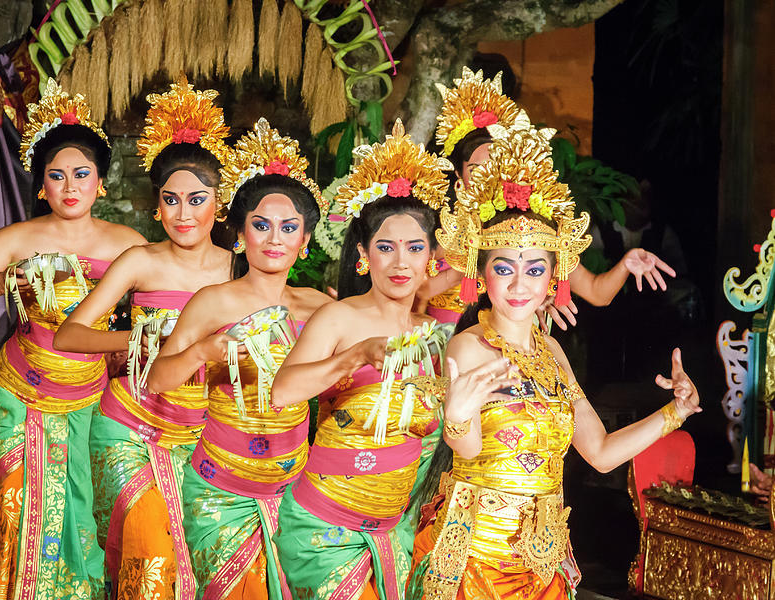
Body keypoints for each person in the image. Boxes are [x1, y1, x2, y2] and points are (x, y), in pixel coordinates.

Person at [406, 121, 701, 600]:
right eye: (504, 269)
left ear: (552, 280)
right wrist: (456, 418)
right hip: (477, 557)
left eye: (534, 269)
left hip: (546, 561)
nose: (520, 284)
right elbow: (466, 450)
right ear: (481, 276)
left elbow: (600, 453)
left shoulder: (553, 350)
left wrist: (676, 413)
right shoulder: (469, 345)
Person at [0, 80, 147, 600]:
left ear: (100, 183)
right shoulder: (18, 239)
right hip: (21, 393)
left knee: (86, 519)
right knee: (22, 512)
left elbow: (162, 312)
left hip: (92, 400)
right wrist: (11, 281)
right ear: (40, 187)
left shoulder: (128, 245)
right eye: (56, 176)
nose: (69, 186)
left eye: (81, 174)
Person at [52, 78, 232, 599]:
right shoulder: (140, 262)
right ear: (156, 207)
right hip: (132, 427)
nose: (183, 213)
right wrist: (138, 340)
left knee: (204, 564)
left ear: (218, 205)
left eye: (197, 199)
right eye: (171, 200)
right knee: (151, 554)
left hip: (208, 433)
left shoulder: (239, 269)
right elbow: (70, 334)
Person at [146, 118, 332, 599]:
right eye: (261, 225)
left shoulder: (320, 308)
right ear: (240, 233)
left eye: (289, 228)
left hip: (297, 489)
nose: (275, 238)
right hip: (219, 487)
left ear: (305, 240)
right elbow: (158, 380)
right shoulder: (213, 301)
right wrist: (204, 351)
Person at [270, 120, 452, 599]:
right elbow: (283, 391)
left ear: (432, 258)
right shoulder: (338, 318)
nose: (401, 263)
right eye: (385, 248)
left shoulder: (431, 337)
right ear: (363, 255)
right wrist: (356, 355)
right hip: (325, 529)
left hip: (392, 532)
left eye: (415, 248)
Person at [419, 67, 675, 329]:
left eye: (496, 168)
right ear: (460, 178)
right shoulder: (443, 234)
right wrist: (471, 262)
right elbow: (415, 292)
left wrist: (625, 264)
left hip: (511, 353)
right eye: (478, 170)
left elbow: (597, 292)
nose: (489, 178)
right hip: (444, 352)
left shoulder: (533, 230)